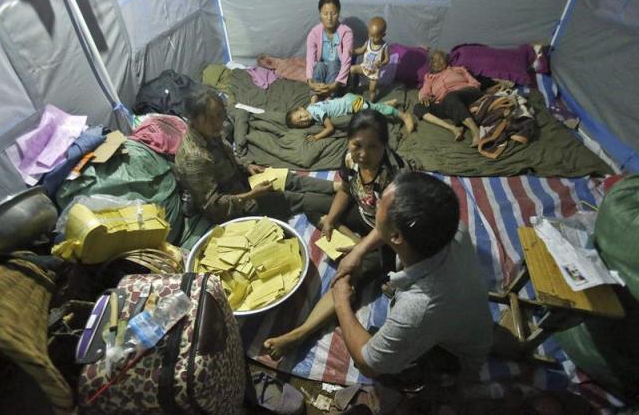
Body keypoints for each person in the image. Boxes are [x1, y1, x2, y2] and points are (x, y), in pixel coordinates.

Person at [264, 109, 410, 358]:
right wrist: (332, 220)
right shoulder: (351, 158)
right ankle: (348, 234)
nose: (363, 154)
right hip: (363, 214)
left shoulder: (396, 177)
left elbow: (390, 228)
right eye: (357, 145)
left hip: (386, 237)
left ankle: (300, 333)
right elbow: (345, 189)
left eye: (373, 147)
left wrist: (360, 249)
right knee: (311, 204)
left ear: (385, 145)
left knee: (347, 274)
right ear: (348, 141)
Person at [332, 171, 493, 385]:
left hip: (454, 355)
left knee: (372, 357)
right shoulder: (451, 229)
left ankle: (441, 382)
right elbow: (389, 229)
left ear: (397, 236)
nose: (376, 202)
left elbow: (367, 365)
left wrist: (341, 302)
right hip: (466, 319)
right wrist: (358, 251)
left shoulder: (418, 308)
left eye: (380, 204)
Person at [175, 88, 337, 223]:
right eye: (212, 118)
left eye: (221, 114)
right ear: (194, 120)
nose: (219, 122)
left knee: (287, 178)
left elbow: (227, 155)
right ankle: (344, 204)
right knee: (292, 198)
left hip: (240, 182)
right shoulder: (195, 157)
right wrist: (251, 195)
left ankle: (337, 188)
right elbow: (213, 206)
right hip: (233, 206)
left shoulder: (210, 131)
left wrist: (246, 165)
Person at [414, 50, 484, 147]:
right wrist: (424, 97)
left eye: (440, 59)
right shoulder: (429, 77)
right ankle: (453, 128)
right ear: (431, 64)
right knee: (418, 107)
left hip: (467, 93)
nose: (437, 62)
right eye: (434, 60)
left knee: (451, 97)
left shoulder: (459, 69)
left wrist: (467, 90)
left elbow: (475, 83)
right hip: (447, 102)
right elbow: (424, 91)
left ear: (446, 60)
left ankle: (476, 131)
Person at [285, 93, 415, 141]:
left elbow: (330, 128)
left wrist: (316, 137)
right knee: (371, 106)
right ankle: (386, 103)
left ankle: (403, 116)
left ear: (301, 108)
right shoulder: (310, 107)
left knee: (374, 111)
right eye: (300, 123)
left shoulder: (315, 113)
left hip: (352, 104)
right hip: (348, 99)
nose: (304, 120)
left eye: (301, 116)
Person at [306, 0, 353, 103]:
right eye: (325, 13)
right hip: (322, 75)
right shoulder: (314, 33)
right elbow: (310, 60)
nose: (329, 18)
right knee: (320, 65)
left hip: (339, 80)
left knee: (333, 63)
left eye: (333, 13)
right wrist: (310, 81)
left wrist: (334, 85)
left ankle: (329, 100)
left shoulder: (346, 33)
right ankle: (314, 99)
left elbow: (346, 62)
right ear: (320, 14)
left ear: (339, 13)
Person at [350, 16, 389, 102]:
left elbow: (387, 59)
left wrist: (382, 63)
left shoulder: (384, 47)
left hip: (374, 72)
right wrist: (353, 51)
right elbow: (361, 50)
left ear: (383, 35)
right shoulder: (368, 42)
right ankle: (350, 88)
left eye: (376, 37)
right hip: (364, 67)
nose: (372, 39)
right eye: (370, 35)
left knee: (372, 89)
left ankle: (371, 103)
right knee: (351, 69)